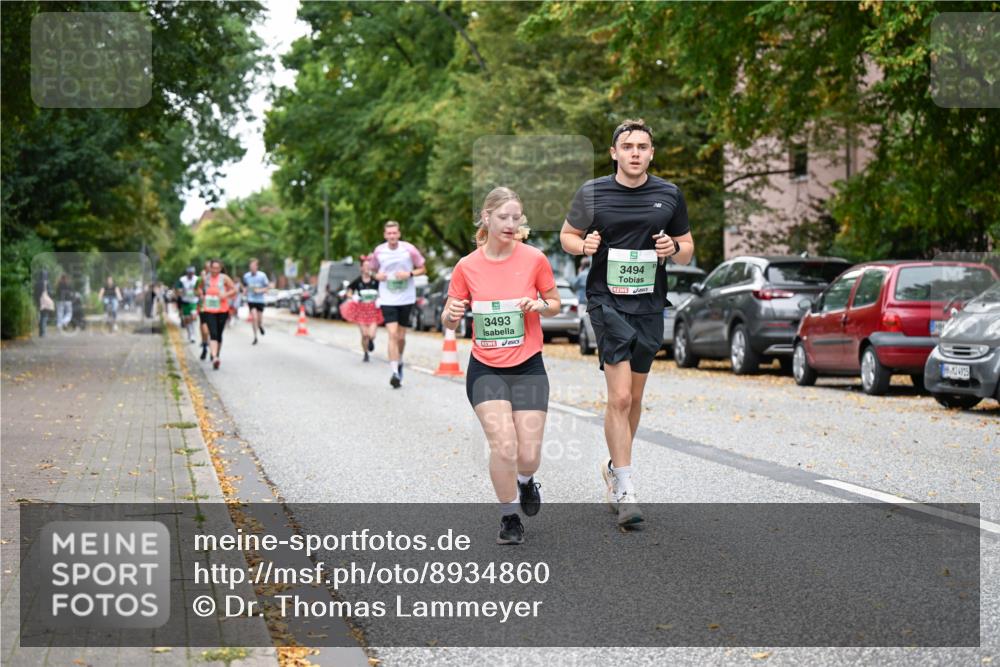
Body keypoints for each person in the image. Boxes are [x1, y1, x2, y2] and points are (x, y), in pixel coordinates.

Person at [560, 118, 695, 527]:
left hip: (650, 304)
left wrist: (673, 247)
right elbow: (567, 235)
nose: (635, 152)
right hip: (607, 301)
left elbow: (687, 249)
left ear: (651, 153)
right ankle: (626, 486)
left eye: (642, 146)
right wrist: (583, 244)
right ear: (614, 153)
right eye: (628, 146)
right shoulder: (593, 192)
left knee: (634, 399)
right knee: (618, 398)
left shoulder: (669, 195)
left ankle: (614, 466)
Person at [442, 187, 561, 545]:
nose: (511, 224)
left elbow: (554, 302)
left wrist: (540, 307)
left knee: (528, 456)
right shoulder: (467, 266)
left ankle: (526, 483)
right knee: (504, 446)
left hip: (528, 366)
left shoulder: (534, 259)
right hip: (486, 369)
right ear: (486, 218)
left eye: (516, 218)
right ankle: (509, 518)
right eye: (503, 217)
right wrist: (451, 314)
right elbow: (449, 317)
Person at [370, 221, 427, 388]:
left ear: (399, 234)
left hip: (406, 297)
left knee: (401, 336)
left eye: (395, 233)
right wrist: (376, 276)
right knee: (392, 334)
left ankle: (400, 361)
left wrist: (409, 273)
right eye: (389, 234)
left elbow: (422, 268)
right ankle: (394, 372)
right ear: (385, 235)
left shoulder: (409, 249)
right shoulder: (379, 251)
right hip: (387, 297)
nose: (392, 236)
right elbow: (372, 270)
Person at [339, 257, 384, 362]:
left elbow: (383, 291)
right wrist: (353, 297)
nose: (367, 268)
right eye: (365, 266)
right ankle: (365, 353)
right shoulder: (357, 281)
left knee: (371, 334)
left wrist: (380, 299)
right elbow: (349, 291)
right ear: (361, 268)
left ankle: (371, 341)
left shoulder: (375, 281)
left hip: (373, 310)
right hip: (361, 310)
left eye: (369, 266)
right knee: (364, 334)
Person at [199, 259, 238, 370]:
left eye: (217, 268)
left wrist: (225, 295)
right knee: (213, 333)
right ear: (210, 268)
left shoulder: (224, 278)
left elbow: (235, 290)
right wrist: (202, 295)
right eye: (213, 268)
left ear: (220, 269)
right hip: (209, 310)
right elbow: (199, 289)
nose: (215, 270)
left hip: (222, 310)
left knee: (219, 334)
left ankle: (216, 354)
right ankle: (215, 357)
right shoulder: (205, 278)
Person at [242, 259, 269, 344]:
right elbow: (245, 286)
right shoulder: (246, 276)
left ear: (257, 267)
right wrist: (244, 291)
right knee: (254, 317)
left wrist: (260, 291)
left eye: (254, 266)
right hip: (251, 299)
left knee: (259, 319)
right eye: (251, 266)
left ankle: (260, 325)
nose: (252, 268)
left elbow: (267, 287)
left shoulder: (262, 275)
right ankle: (255, 336)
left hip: (260, 300)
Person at [176, 267, 200, 342]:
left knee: (193, 317)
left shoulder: (197, 279)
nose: (191, 275)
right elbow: (177, 290)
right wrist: (181, 292)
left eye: (192, 273)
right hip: (185, 301)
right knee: (187, 319)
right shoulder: (182, 280)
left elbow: (200, 289)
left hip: (194, 301)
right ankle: (190, 333)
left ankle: (193, 334)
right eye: (189, 273)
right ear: (187, 273)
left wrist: (197, 293)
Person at [198, 260, 212, 360]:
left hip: (214, 307)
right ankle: (204, 346)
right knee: (204, 329)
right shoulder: (201, 278)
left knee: (213, 330)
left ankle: (213, 351)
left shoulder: (217, 278)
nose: (209, 269)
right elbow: (198, 289)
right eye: (207, 267)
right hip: (203, 306)